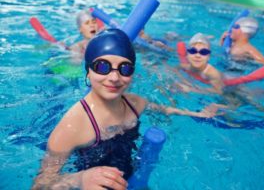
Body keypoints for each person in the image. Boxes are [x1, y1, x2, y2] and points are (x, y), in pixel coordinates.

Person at [32, 28, 220, 190]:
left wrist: (196, 114)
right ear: (88, 71)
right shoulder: (72, 127)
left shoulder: (135, 103)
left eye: (125, 68)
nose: (114, 77)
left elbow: (162, 109)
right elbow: (41, 184)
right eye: (103, 66)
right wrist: (79, 179)